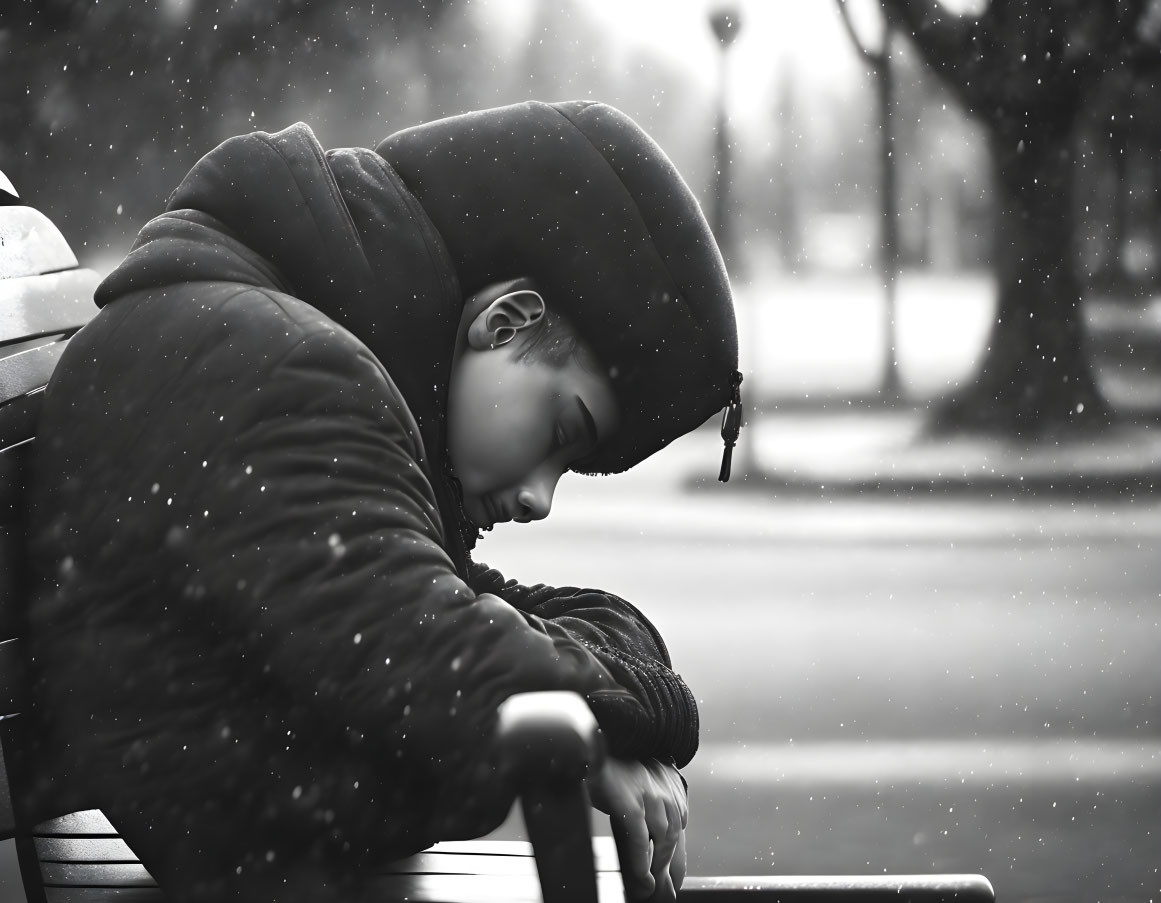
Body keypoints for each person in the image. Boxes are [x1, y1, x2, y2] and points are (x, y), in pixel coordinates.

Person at [23, 100, 741, 902]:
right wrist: (588, 728)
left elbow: (462, 629)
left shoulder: (280, 348)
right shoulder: (276, 364)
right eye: (560, 433)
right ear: (505, 323)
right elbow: (436, 668)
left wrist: (603, 701)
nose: (540, 499)